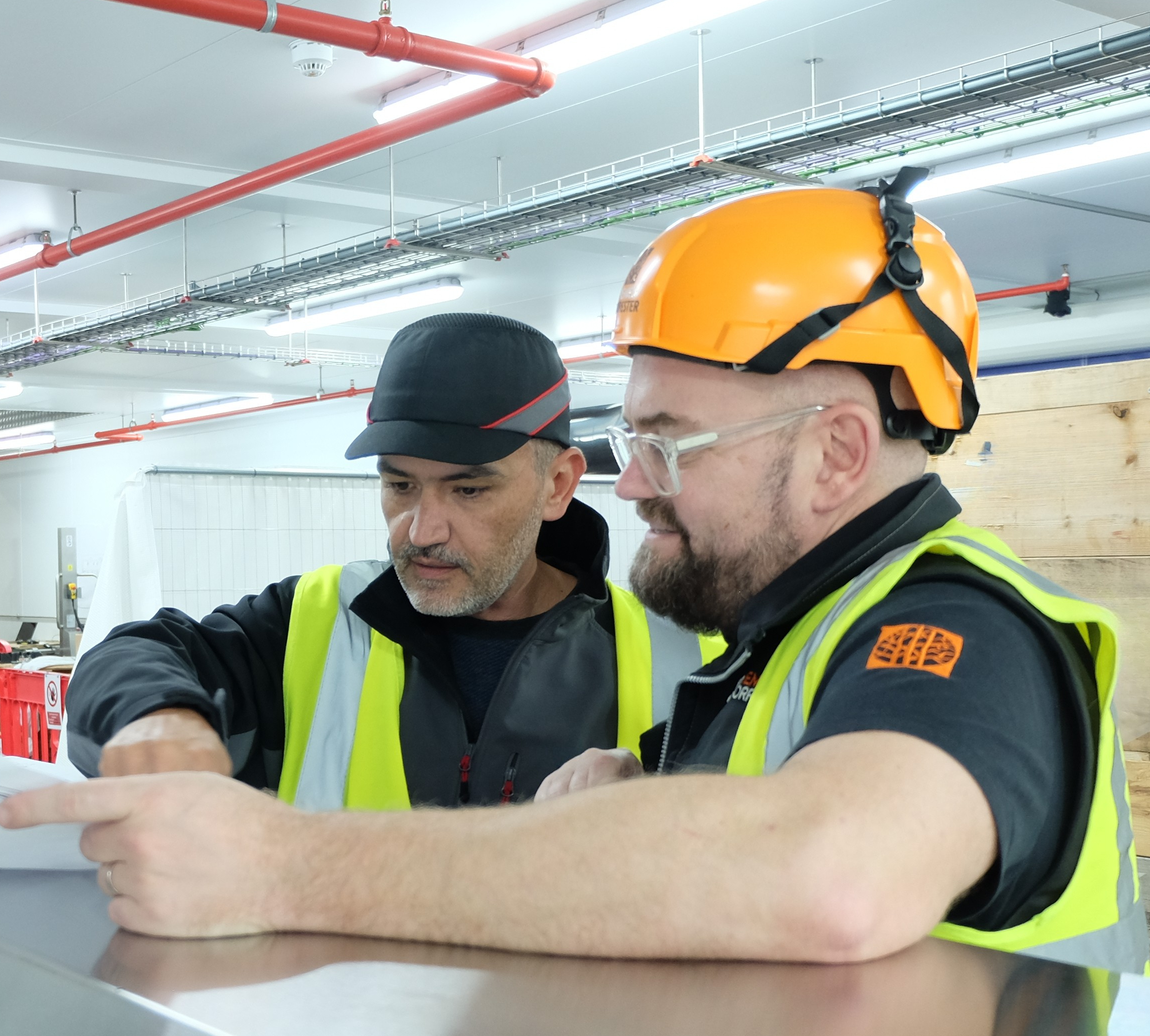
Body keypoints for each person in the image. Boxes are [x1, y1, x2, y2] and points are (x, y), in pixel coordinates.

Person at [3, 169, 1148, 972]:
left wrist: (282, 867)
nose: (631, 482)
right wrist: (649, 792)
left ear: (839, 452)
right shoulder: (779, 647)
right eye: (633, 440)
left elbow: (830, 876)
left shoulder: (964, 631)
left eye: (669, 445)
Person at [65, 311, 712, 809]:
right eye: (400, 485)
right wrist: (158, 717)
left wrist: (655, 795)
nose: (422, 530)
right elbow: (135, 654)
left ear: (558, 485)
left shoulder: (686, 659)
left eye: (468, 490)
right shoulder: (315, 623)